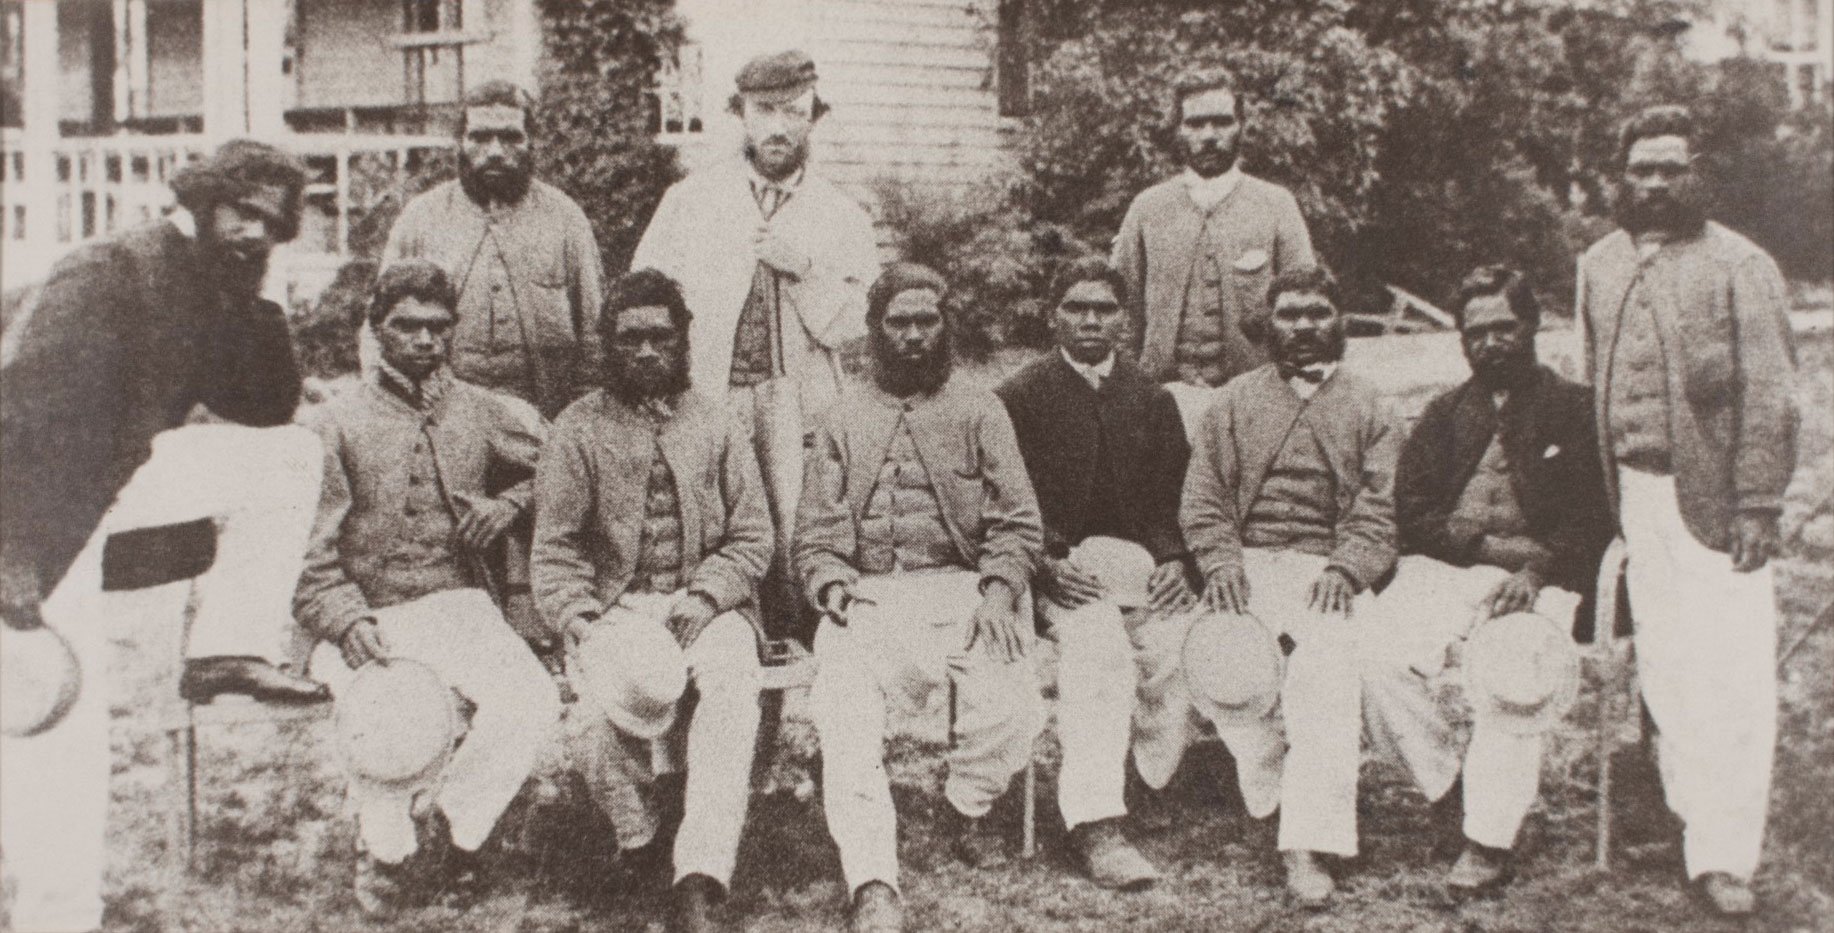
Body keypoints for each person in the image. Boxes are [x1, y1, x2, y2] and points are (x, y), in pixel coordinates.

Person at [0, 139, 327, 933]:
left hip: (111, 491)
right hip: (37, 513)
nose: (253, 231)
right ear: (199, 196)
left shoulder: (216, 288)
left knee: (290, 457)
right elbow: (19, 404)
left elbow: (265, 411)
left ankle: (224, 647)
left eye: (271, 222)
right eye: (240, 211)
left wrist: (255, 299)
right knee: (57, 727)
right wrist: (12, 548)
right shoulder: (112, 266)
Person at [1575, 105, 1798, 917]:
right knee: (1666, 664)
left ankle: (1725, 851)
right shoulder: (1599, 262)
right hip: (1635, 494)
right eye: (1644, 170)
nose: (1658, 184)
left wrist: (1759, 502)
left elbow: (1771, 393)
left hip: (1715, 498)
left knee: (1732, 673)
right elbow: (1593, 370)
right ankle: (1685, 815)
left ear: (1696, 172)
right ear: (1622, 176)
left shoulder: (1741, 263)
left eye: (1673, 169)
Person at [294, 260, 560, 917]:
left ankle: (456, 830)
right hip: (366, 609)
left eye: (438, 328)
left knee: (531, 698)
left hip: (457, 603)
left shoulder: (479, 410)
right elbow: (307, 551)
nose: (424, 341)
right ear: (376, 329)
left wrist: (511, 502)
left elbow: (563, 468)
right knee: (391, 713)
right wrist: (346, 618)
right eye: (406, 326)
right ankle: (385, 852)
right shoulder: (337, 421)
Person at [795, 264, 1044, 932]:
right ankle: (873, 879)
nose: (912, 336)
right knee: (842, 708)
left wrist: (998, 591)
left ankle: (963, 802)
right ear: (876, 329)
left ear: (944, 326)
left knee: (1014, 697)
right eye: (898, 322)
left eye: (925, 321)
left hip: (964, 589)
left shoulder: (980, 407)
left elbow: (1019, 519)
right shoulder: (842, 415)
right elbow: (816, 534)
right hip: (869, 596)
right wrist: (835, 588)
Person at [532, 269, 774, 933]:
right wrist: (579, 618)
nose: (645, 352)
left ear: (682, 342)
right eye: (629, 338)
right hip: (615, 605)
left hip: (705, 603)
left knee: (733, 686)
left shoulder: (717, 422)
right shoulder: (577, 428)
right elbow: (555, 549)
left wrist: (708, 593)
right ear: (610, 344)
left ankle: (700, 871)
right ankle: (639, 838)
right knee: (587, 711)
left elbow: (753, 534)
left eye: (659, 338)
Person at [1360, 265, 1613, 892]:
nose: (1491, 343)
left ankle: (1487, 839)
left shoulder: (1575, 410)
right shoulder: (1444, 414)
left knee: (1513, 669)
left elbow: (1596, 516)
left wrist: (1536, 568)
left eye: (1505, 327)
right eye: (1477, 333)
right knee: (1371, 657)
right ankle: (1450, 787)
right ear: (1462, 339)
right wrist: (1479, 546)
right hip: (1450, 568)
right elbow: (1412, 512)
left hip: (1545, 576)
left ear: (1531, 326)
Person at [632, 49, 881, 641]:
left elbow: (859, 325)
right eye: (763, 110)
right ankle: (724, 649)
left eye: (793, 111)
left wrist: (803, 270)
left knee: (797, 524)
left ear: (812, 117)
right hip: (710, 396)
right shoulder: (691, 202)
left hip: (799, 403)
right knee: (717, 523)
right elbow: (646, 299)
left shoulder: (843, 215)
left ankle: (803, 655)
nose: (777, 126)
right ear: (739, 114)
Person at [1179, 265, 1400, 909]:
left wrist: (1347, 568)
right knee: (1227, 657)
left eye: (1317, 312)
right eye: (1289, 314)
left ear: (1341, 320)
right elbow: (1203, 499)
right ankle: (1273, 783)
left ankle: (1306, 842)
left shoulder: (1372, 406)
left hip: (1326, 569)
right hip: (1246, 564)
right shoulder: (1233, 401)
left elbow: (1381, 508)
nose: (1303, 326)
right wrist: (1220, 564)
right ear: (1268, 326)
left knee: (1324, 669)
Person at [993, 257, 1193, 890]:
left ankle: (1152, 778)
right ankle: (1095, 822)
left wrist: (1176, 561)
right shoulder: (1019, 397)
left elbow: (1177, 497)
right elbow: (997, 501)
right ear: (1054, 316)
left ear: (1123, 320)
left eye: (1103, 309)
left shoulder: (1151, 397)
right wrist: (1044, 561)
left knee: (1176, 642)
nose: (1089, 320)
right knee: (1100, 642)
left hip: (1137, 566)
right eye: (1075, 308)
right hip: (1055, 572)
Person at [383, 80, 603, 421]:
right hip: (441, 422)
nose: (496, 151)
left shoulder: (565, 219)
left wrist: (579, 423)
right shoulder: (420, 219)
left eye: (511, 137)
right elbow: (379, 326)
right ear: (460, 143)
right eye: (481, 137)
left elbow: (593, 333)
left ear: (531, 143)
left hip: (546, 421)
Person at [1111, 70, 1315, 405]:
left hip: (1254, 400)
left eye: (1221, 122)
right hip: (1162, 401)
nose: (1208, 135)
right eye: (1195, 123)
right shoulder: (1147, 208)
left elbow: (1305, 311)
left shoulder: (1277, 205)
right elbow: (1121, 311)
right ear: (1178, 130)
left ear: (1241, 127)